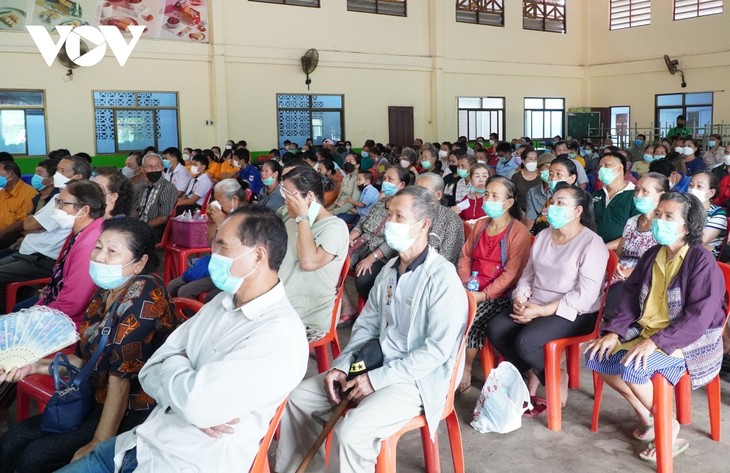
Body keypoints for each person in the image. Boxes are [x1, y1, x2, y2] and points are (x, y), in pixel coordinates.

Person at [54, 207, 306, 473]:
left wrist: (179, 372)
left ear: (258, 256)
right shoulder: (221, 302)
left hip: (183, 462)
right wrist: (188, 391)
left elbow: (195, 404)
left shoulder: (279, 335)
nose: (213, 253)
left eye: (222, 246)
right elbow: (150, 371)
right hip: (138, 442)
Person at [275, 186, 468, 473]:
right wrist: (343, 365)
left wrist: (376, 380)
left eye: (399, 216)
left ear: (423, 224)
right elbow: (366, 326)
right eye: (389, 215)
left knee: (352, 433)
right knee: (299, 399)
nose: (390, 222)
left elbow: (435, 352)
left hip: (415, 379)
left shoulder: (442, 278)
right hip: (375, 362)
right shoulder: (389, 270)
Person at [0, 218, 180, 473]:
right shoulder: (105, 292)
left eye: (112, 251)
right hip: (95, 393)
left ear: (139, 263)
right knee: (12, 439)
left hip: (134, 408)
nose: (99, 257)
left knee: (35, 457)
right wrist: (35, 366)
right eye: (98, 247)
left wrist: (98, 443)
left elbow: (120, 381)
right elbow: (83, 360)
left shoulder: (145, 297)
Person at [584, 192, 726, 463]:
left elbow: (699, 316)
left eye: (669, 216)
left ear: (687, 226)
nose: (659, 220)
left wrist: (657, 342)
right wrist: (614, 333)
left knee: (633, 367)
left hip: (688, 338)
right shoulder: (653, 254)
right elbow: (629, 296)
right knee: (596, 355)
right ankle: (647, 416)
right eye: (658, 214)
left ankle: (668, 425)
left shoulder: (700, 259)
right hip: (648, 329)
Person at [486, 184, 609, 412]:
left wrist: (540, 311)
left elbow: (585, 296)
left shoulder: (592, 243)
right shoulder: (543, 235)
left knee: (526, 342)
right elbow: (528, 275)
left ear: (578, 211)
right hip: (535, 303)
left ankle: (556, 376)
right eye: (553, 202)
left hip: (574, 312)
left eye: (561, 203)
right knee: (496, 329)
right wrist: (521, 300)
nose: (553, 207)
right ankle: (538, 371)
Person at [456, 176, 531, 394]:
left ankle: (466, 367)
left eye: (494, 196)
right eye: (487, 194)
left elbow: (511, 274)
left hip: (500, 294)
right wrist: (465, 284)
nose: (488, 199)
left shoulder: (518, 232)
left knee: (472, 318)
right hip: (471, 286)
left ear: (509, 202)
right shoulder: (481, 225)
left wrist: (483, 295)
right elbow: (465, 257)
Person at [0, 157, 91, 311]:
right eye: (57, 170)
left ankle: (5, 317)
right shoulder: (59, 196)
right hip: (29, 252)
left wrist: (32, 222)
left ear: (78, 177)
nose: (57, 174)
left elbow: (29, 224)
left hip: (42, 259)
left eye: (63, 171)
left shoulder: (68, 200)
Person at [279, 166, 349, 341]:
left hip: (306, 319)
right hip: (279, 306)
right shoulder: (289, 216)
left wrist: (303, 218)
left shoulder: (334, 227)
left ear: (309, 197)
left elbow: (309, 262)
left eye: (290, 195)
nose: (285, 201)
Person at [341, 166, 411, 326]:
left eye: (390, 179)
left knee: (364, 278)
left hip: (383, 254)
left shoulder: (405, 209)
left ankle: (375, 315)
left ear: (401, 185)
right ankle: (348, 307)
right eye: (384, 178)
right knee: (332, 262)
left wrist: (372, 258)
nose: (385, 182)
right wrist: (351, 237)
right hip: (362, 244)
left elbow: (394, 241)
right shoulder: (381, 202)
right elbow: (362, 223)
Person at [167, 179, 248, 300]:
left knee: (185, 291)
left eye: (220, 202)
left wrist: (221, 223)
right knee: (172, 285)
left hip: (230, 270)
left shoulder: (246, 218)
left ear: (234, 200)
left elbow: (232, 251)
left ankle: (193, 312)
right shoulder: (227, 215)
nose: (217, 205)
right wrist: (212, 222)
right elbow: (211, 245)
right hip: (215, 266)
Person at [604, 173, 668, 318]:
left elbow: (660, 266)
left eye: (645, 191)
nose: (638, 195)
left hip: (644, 278)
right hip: (619, 274)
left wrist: (629, 272)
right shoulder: (632, 221)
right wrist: (616, 266)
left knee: (615, 300)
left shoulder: (663, 227)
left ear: (660, 195)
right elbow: (619, 254)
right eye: (637, 190)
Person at [592, 152, 639, 249]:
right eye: (600, 167)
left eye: (607, 165)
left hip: (620, 251)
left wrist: (603, 248)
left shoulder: (635, 196)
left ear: (620, 167)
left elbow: (636, 233)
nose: (602, 169)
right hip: (592, 248)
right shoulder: (595, 195)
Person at [530, 156, 579, 235]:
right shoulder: (551, 200)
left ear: (572, 178)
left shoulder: (577, 203)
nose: (553, 178)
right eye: (550, 174)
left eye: (558, 174)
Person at [133, 154, 177, 241]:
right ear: (143, 169)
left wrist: (139, 227)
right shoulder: (143, 186)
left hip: (155, 230)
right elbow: (136, 209)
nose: (154, 170)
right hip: (141, 225)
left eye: (157, 166)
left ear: (162, 168)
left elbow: (164, 218)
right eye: (149, 167)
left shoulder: (167, 188)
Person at [688, 170, 727, 259]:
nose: (693, 189)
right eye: (691, 185)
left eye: (699, 186)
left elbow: (697, 243)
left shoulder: (717, 215)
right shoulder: (684, 207)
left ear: (711, 193)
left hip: (702, 259)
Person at [0, 160, 37, 249]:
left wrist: (1, 233)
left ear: (11, 175)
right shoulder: (2, 193)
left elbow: (23, 222)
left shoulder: (29, 194)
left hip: (15, 235)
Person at [525, 152, 555, 232]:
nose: (550, 170)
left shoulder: (563, 190)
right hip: (540, 232)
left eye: (552, 167)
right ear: (538, 172)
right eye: (546, 167)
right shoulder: (532, 192)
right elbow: (530, 220)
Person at [329, 152, 362, 221]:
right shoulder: (346, 177)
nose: (347, 163)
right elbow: (339, 195)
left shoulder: (359, 179)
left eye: (350, 161)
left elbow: (352, 202)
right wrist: (331, 208)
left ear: (357, 165)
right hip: (338, 208)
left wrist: (334, 212)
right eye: (346, 161)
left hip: (348, 212)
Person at [511, 146, 542, 211]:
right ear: (523, 161)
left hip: (539, 211)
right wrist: (520, 212)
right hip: (521, 211)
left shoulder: (541, 176)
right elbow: (512, 196)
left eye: (535, 159)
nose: (533, 161)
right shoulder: (516, 177)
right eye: (530, 159)